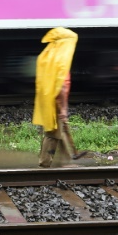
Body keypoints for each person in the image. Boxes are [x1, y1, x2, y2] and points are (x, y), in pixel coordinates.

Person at [32, 27, 78, 168]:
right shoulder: (61, 59)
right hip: (55, 99)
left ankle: (66, 161)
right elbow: (62, 87)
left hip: (47, 97)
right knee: (53, 134)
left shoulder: (48, 54)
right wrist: (63, 108)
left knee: (60, 130)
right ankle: (44, 163)